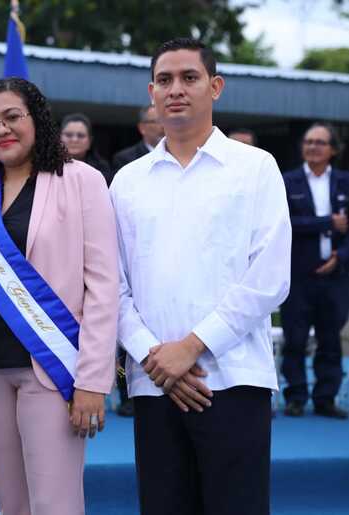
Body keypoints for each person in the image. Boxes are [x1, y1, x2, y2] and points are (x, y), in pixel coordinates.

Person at [110, 38, 291, 515]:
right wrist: (154, 355)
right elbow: (113, 283)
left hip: (233, 378)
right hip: (153, 383)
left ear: (215, 87)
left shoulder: (255, 168)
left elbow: (270, 277)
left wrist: (191, 347)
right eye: (164, 80)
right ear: (151, 92)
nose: (176, 89)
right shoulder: (127, 181)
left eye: (189, 77)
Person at [0, 77, 119, 515]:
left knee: (54, 504)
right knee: (12, 506)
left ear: (36, 119)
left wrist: (93, 380)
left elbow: (103, 285)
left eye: (12, 117)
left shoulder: (82, 180)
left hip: (52, 368)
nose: (1, 129)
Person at [280, 122, 349, 419]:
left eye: (320, 142)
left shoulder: (345, 182)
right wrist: (326, 223)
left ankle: (326, 398)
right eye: (308, 142)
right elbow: (283, 223)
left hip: (335, 277)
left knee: (330, 340)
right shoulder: (287, 181)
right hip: (298, 275)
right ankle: (296, 397)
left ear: (333, 149)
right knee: (295, 339)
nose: (312, 147)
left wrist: (340, 256)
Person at [110, 103, 165, 418]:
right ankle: (125, 395)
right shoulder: (125, 169)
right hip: (144, 350)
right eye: (154, 121)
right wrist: (149, 352)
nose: (160, 126)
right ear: (142, 127)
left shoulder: (254, 167)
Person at [60, 113, 113, 185]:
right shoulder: (49, 165)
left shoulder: (102, 170)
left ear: (90, 141)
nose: (74, 140)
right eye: (69, 135)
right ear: (59, 138)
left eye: (81, 136)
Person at [111, 104, 165, 172]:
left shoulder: (174, 155)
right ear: (142, 128)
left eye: (165, 121)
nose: (163, 126)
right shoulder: (126, 159)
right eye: (157, 121)